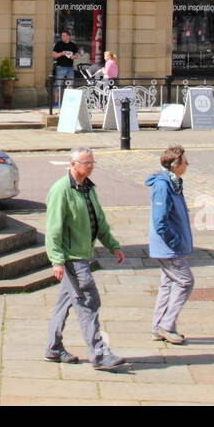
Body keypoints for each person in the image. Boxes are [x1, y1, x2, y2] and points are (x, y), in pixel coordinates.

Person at [44, 147, 127, 371]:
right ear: (72, 164)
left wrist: (112, 245)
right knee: (89, 303)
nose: (90, 167)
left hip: (82, 254)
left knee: (64, 303)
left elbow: (97, 219)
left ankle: (53, 348)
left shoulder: (88, 188)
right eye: (85, 163)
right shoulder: (61, 191)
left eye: (92, 163)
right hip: (72, 258)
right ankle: (99, 354)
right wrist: (57, 260)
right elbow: (53, 229)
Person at [146, 144, 193, 344]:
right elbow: (160, 220)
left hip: (169, 245)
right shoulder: (163, 185)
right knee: (185, 281)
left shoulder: (173, 182)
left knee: (168, 283)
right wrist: (174, 241)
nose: (187, 164)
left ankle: (159, 327)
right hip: (168, 246)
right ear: (175, 165)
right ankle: (166, 325)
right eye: (184, 161)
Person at [51, 30, 79, 106]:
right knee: (58, 85)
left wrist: (74, 56)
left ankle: (69, 102)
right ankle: (56, 102)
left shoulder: (72, 45)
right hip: (61, 67)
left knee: (70, 85)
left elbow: (77, 54)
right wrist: (61, 53)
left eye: (64, 35)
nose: (62, 37)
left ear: (68, 36)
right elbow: (53, 55)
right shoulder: (59, 44)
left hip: (70, 67)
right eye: (62, 35)